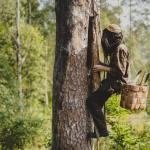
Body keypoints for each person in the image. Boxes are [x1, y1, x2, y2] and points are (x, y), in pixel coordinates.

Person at [86, 24, 131, 138]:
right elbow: (116, 66)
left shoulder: (119, 49)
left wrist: (103, 68)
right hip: (112, 81)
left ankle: (103, 131)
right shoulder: (118, 47)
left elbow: (120, 71)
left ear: (113, 36)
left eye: (107, 36)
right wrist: (103, 64)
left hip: (116, 83)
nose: (106, 39)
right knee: (98, 101)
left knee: (92, 101)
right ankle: (99, 130)